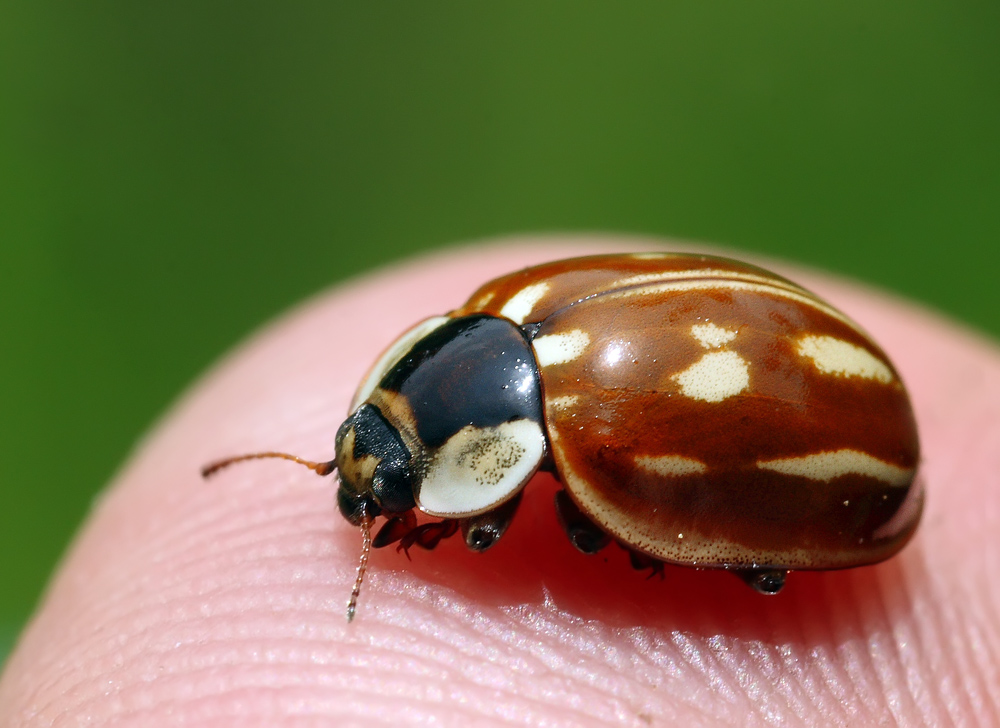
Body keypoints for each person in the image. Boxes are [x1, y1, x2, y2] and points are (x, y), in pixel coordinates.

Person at [1, 240, 996, 726]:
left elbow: (511, 493)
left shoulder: (587, 414)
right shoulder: (508, 309)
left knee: (598, 506)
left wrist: (434, 514)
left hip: (859, 449)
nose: (378, 504)